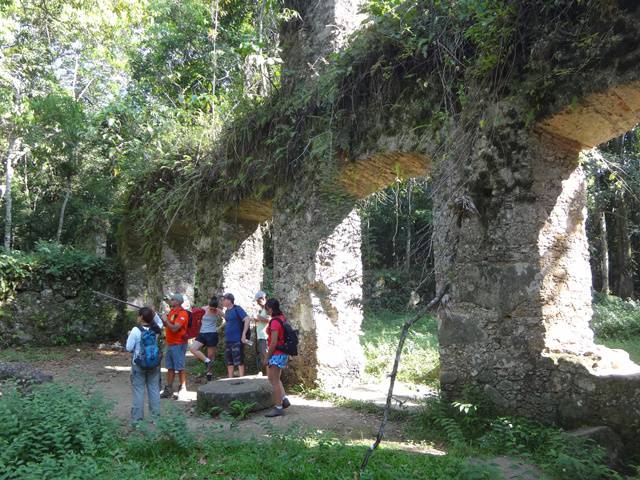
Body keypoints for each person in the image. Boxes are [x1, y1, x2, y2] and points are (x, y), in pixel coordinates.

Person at [125, 307, 162, 424]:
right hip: (154, 364)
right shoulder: (156, 329)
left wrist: (129, 335)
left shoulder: (136, 331)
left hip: (139, 364)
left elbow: (128, 348)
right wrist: (154, 313)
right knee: (154, 389)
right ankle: (155, 418)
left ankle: (137, 420)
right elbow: (159, 321)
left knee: (138, 391)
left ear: (141, 317)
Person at [263, 298, 291, 417]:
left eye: (267, 309)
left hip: (276, 354)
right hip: (281, 353)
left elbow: (274, 342)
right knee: (274, 378)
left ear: (270, 308)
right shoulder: (282, 317)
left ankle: (278, 407)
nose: (266, 311)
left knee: (274, 381)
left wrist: (267, 357)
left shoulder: (274, 322)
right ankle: (284, 399)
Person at [160, 293, 189, 400]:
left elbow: (175, 328)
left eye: (172, 299)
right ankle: (169, 389)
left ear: (177, 301)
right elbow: (168, 325)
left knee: (180, 367)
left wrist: (166, 320)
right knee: (170, 367)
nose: (170, 301)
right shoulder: (172, 312)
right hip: (170, 343)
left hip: (178, 344)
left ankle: (183, 389)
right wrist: (164, 320)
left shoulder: (183, 314)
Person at [189, 297, 221, 381]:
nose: (212, 310)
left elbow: (228, 319)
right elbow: (195, 317)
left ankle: (209, 375)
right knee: (193, 348)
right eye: (211, 308)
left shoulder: (218, 311)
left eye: (214, 309)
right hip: (202, 333)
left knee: (211, 356)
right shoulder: (203, 309)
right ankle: (206, 360)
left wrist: (219, 327)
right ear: (209, 305)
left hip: (212, 334)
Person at [221, 293, 251, 378]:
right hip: (228, 340)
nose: (222, 301)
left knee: (239, 360)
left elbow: (247, 319)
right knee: (229, 361)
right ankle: (230, 379)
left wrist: (244, 334)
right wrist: (219, 328)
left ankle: (241, 379)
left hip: (237, 340)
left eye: (224, 299)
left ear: (229, 300)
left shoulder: (237, 309)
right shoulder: (227, 311)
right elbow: (228, 321)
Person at [254, 290, 270, 375]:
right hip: (261, 336)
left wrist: (259, 317)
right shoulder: (263, 309)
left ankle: (269, 377)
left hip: (265, 336)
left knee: (267, 356)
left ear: (263, 298)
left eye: (258, 301)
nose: (257, 303)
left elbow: (269, 320)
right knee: (264, 357)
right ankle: (268, 376)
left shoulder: (268, 308)